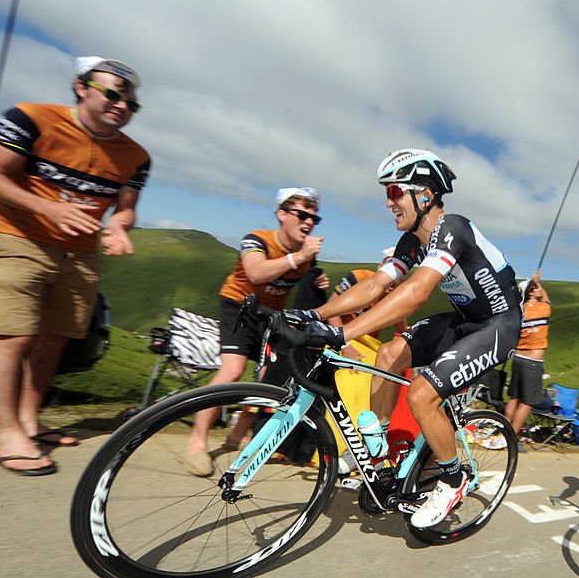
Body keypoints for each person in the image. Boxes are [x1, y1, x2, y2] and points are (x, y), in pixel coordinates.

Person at [289, 149, 521, 528]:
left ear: (425, 194)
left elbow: (415, 294)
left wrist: (343, 332)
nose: (388, 201)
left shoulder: (453, 228)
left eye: (395, 191)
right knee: (388, 352)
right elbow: (376, 286)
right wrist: (313, 314)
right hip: (466, 320)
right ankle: (376, 452)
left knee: (421, 394)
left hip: (498, 326)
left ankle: (452, 478)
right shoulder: (412, 242)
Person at [0, 56, 149, 476]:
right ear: (81, 88)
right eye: (113, 93)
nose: (121, 105)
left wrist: (118, 227)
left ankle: (29, 420)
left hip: (81, 253)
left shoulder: (137, 156)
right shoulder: (29, 118)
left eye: (131, 103)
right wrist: (48, 208)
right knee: (13, 338)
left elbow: (126, 207)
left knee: (54, 340)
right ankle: (8, 435)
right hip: (16, 236)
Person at [183, 187, 326, 476]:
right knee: (233, 370)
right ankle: (196, 443)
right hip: (238, 306)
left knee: (265, 378)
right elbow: (256, 273)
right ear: (282, 215)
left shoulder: (307, 256)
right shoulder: (257, 239)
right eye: (301, 215)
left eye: (314, 218)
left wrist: (318, 280)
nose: (309, 222)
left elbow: (304, 282)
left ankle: (237, 435)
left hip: (270, 315)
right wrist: (298, 259)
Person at [504, 270, 551, 446]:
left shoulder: (519, 311)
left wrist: (532, 283)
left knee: (514, 398)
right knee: (527, 402)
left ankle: (504, 430)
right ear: (532, 292)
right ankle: (511, 438)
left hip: (518, 359)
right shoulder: (543, 308)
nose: (539, 290)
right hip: (533, 363)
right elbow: (547, 300)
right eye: (536, 288)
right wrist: (538, 282)